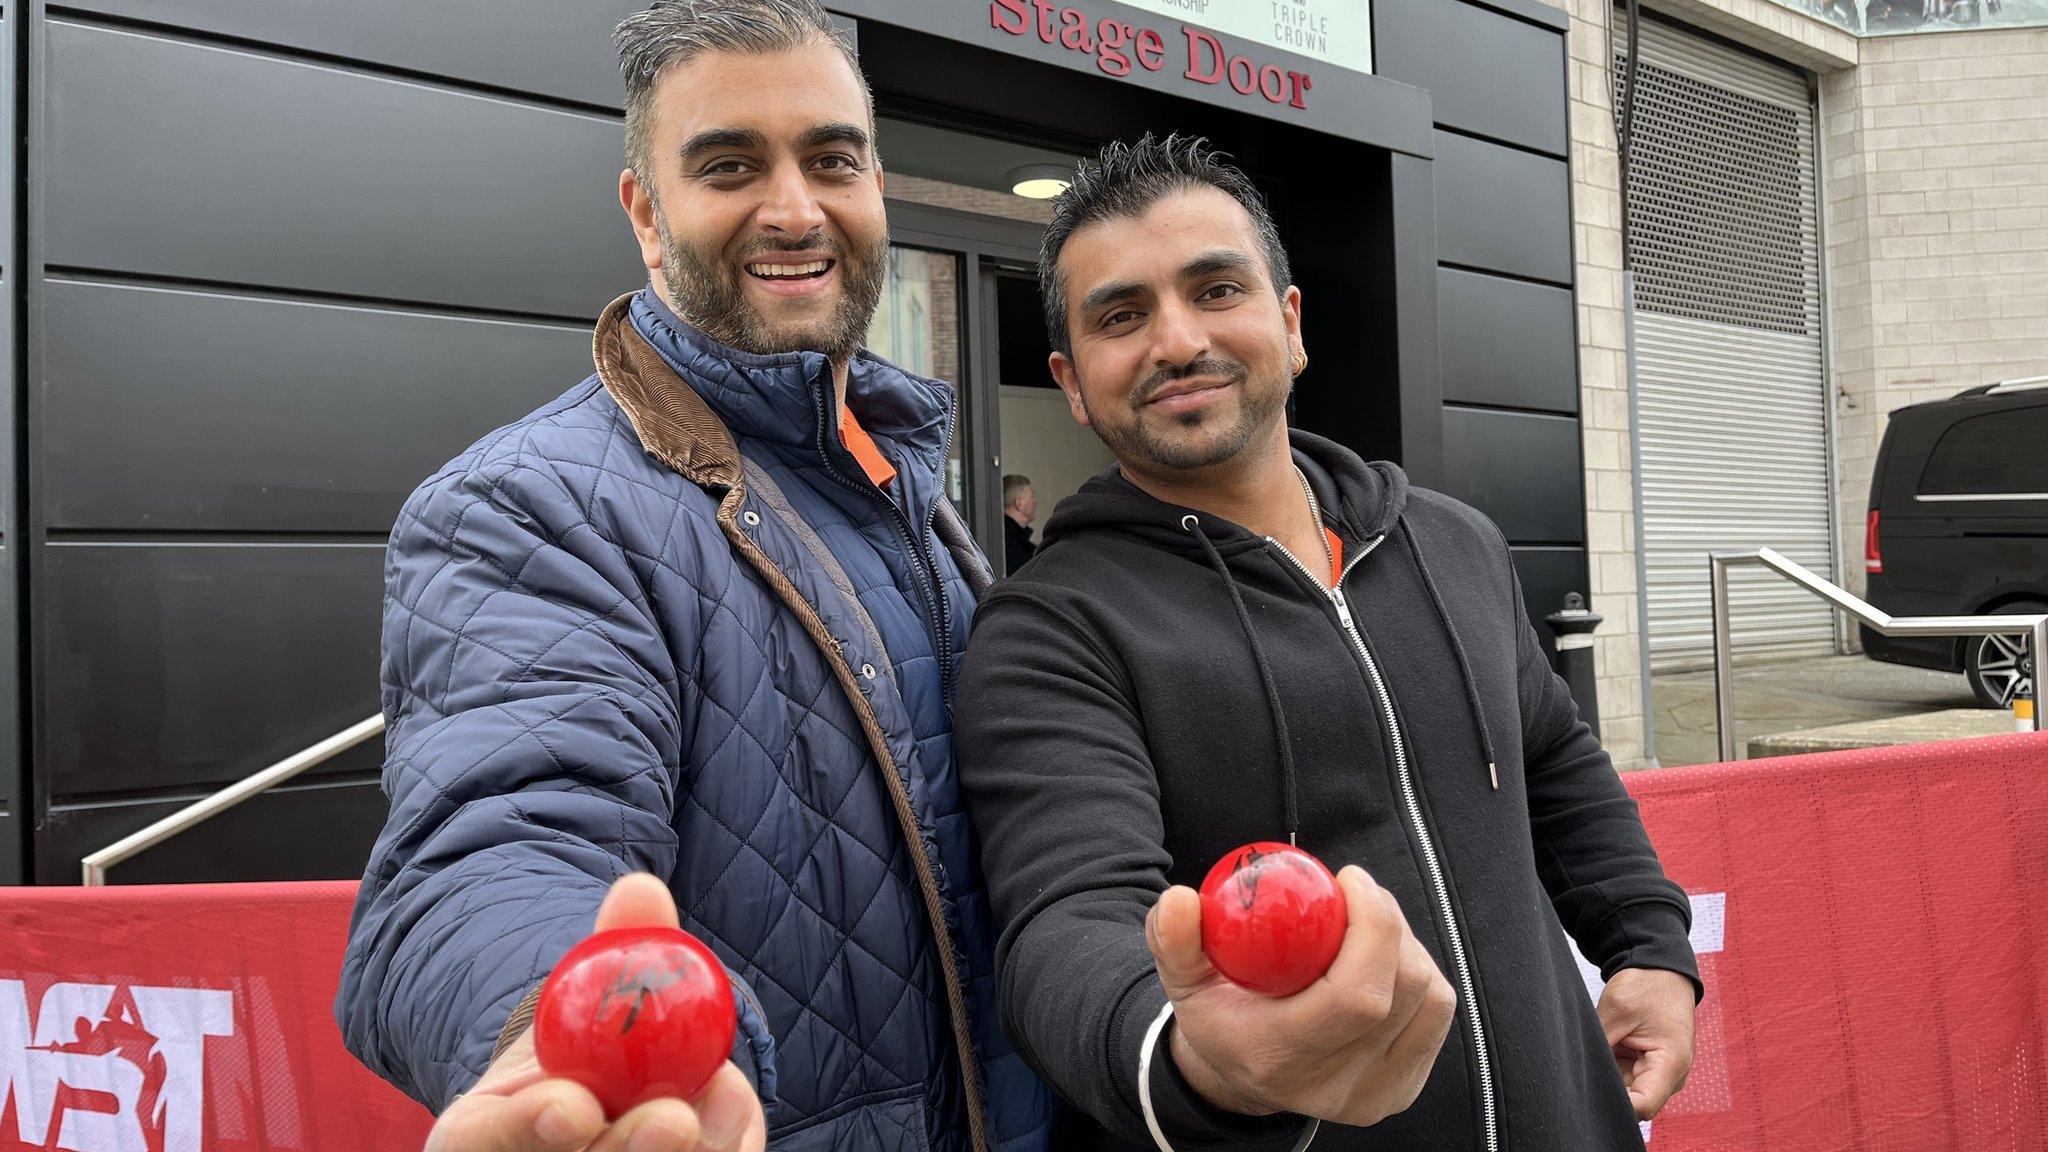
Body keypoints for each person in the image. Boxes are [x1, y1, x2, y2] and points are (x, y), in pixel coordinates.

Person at [334, 4, 1052, 1151]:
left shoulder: (895, 477)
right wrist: (552, 1030)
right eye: (728, 164)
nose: (793, 207)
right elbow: (496, 845)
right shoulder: (531, 506)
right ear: (644, 213)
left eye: (831, 159)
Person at [953, 135, 1700, 1151]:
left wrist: (1649, 950)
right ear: (1072, 381)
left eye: (1215, 290)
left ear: (1289, 323)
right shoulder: (1049, 631)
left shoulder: (1452, 544)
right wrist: (1193, 1063)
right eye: (1121, 316)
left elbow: (1553, 763)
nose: (1176, 341)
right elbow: (1064, 919)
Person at [1002, 475, 1039, 575]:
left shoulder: (1004, 536)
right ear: (1019, 503)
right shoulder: (1011, 545)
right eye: (1032, 496)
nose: (1036, 502)